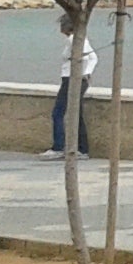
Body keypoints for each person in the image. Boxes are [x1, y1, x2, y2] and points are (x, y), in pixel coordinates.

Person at [44, 13, 98, 160]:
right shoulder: (81, 38)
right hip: (78, 79)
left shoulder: (72, 39)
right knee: (76, 113)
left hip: (72, 79)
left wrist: (83, 72)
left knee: (58, 112)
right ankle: (82, 149)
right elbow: (93, 57)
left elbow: (86, 57)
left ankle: (59, 147)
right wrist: (87, 72)